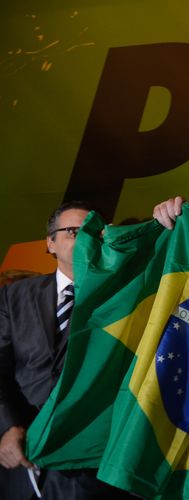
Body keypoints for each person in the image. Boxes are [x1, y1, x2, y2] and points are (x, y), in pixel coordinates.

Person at [0, 202, 130, 499]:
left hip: (87, 468)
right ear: (50, 243)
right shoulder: (13, 297)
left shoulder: (120, 301)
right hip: (19, 457)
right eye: (73, 231)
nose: (84, 238)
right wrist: (8, 427)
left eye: (93, 232)